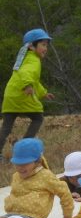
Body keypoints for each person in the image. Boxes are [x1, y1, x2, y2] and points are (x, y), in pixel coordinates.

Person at [0, 29, 55, 162]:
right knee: (38, 117)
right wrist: (28, 86)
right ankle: (23, 148)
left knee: (6, 127)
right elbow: (25, 74)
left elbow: (33, 80)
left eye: (46, 45)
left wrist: (43, 93)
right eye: (42, 45)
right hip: (21, 94)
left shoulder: (26, 59)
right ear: (31, 46)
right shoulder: (33, 61)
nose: (45, 48)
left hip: (11, 95)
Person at [3, 139, 73, 218]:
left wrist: (67, 214)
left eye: (25, 164)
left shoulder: (45, 176)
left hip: (32, 217)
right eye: (17, 164)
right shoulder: (16, 176)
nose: (20, 168)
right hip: (13, 214)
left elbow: (64, 192)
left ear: (38, 162)